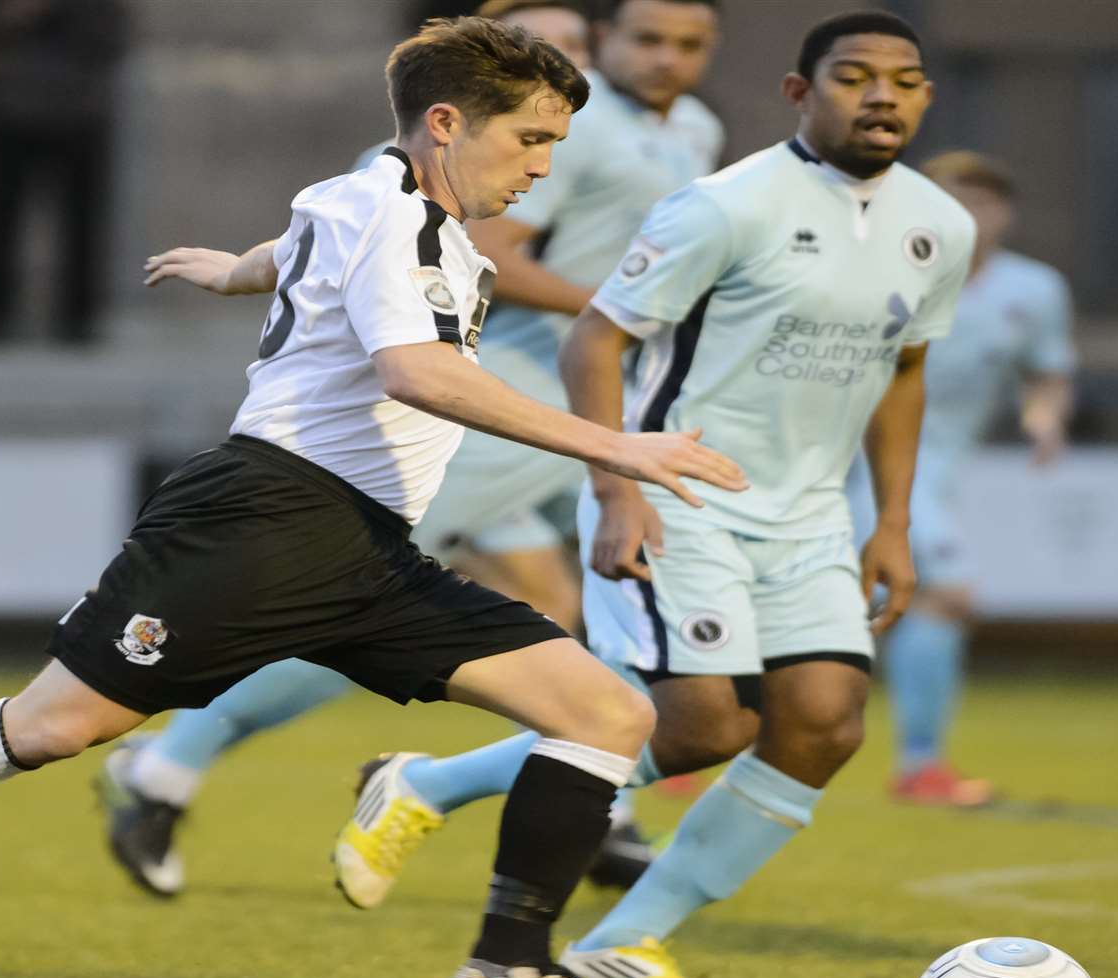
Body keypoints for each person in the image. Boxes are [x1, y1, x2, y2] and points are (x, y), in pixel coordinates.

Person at [0, 17, 747, 978]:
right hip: (259, 523)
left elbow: (302, 242)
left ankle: (508, 969)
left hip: (367, 548)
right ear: (448, 123)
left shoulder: (377, 201)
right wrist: (616, 449)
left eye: (555, 142)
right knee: (44, 732)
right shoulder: (391, 213)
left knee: (602, 710)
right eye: (533, 139)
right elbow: (414, 371)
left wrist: (233, 270)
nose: (545, 165)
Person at [334, 10, 975, 978]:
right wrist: (616, 491)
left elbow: (905, 371)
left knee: (825, 723)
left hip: (809, 519)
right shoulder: (724, 206)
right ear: (801, 94)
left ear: (929, 98)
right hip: (685, 496)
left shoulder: (942, 225)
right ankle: (426, 787)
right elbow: (594, 342)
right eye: (854, 76)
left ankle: (627, 936)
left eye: (906, 79)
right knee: (698, 726)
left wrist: (888, 522)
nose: (883, 95)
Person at [94, 0, 726, 902]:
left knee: (558, 603)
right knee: (359, 603)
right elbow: (370, 240)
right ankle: (166, 764)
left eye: (579, 44)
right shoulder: (473, 155)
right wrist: (625, 317)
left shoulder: (673, 129)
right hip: (500, 400)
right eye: (564, 45)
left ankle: (595, 794)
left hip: (578, 404)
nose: (579, 59)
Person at [849, 150, 1074, 807]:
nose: (972, 215)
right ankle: (921, 767)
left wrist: (1045, 419)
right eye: (956, 199)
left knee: (839, 606)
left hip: (936, 466)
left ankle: (680, 735)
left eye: (986, 201)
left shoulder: (1034, 290)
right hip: (857, 459)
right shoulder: (875, 270)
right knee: (945, 592)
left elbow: (1047, 373)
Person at [0, 0, 131, 343]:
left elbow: (114, 41)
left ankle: (77, 320)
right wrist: (9, 21)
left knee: (82, 224)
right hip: (5, 117)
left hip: (78, 117)